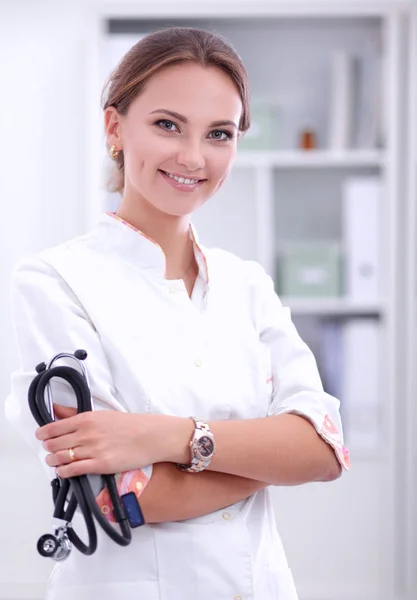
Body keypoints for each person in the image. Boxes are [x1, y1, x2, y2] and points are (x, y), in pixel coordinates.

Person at [5, 27, 350, 600]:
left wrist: (164, 436)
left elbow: (322, 452)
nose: (194, 157)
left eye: (219, 134)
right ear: (115, 128)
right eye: (168, 125)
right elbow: (129, 498)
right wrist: (272, 454)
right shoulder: (53, 281)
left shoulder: (247, 285)